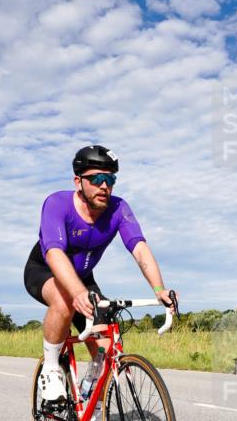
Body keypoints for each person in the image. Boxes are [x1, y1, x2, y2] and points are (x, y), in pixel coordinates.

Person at [24, 145, 174, 401]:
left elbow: (139, 248)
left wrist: (159, 289)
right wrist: (77, 293)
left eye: (110, 179)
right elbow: (55, 253)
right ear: (78, 181)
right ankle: (50, 368)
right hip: (45, 271)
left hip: (84, 279)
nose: (104, 185)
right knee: (64, 300)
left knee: (107, 349)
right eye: (96, 178)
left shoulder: (118, 209)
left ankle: (90, 401)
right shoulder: (57, 203)